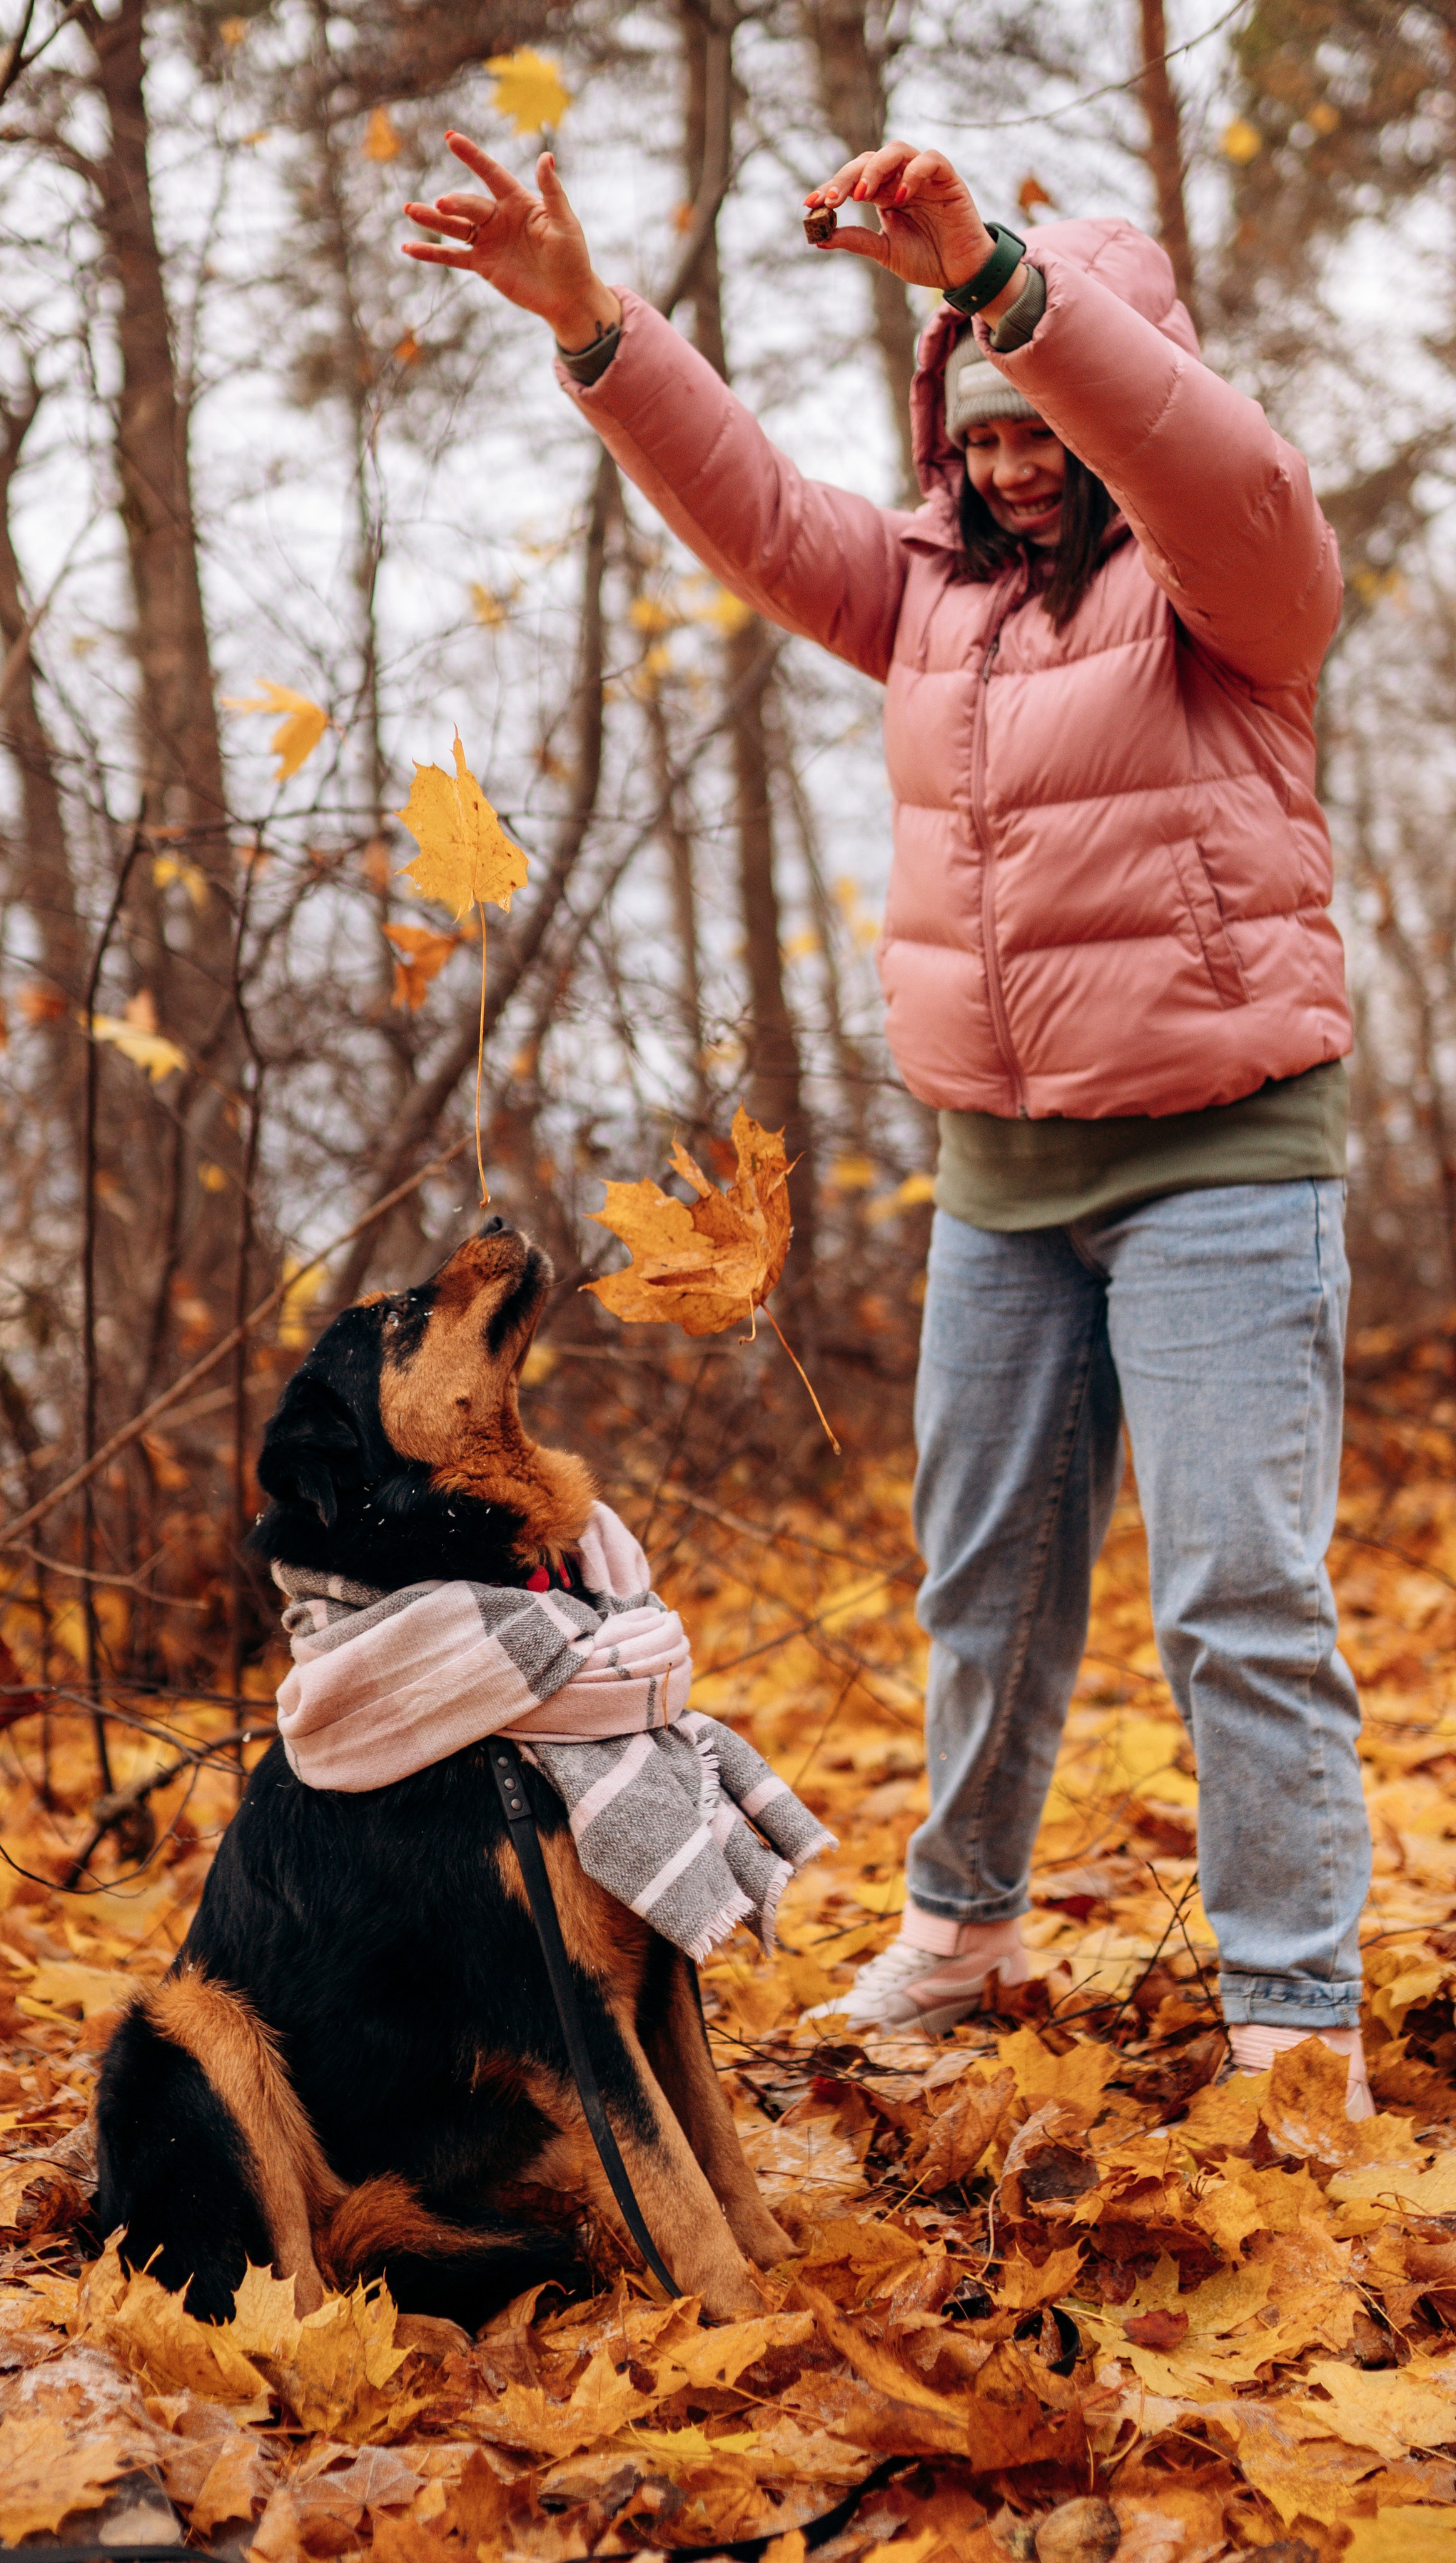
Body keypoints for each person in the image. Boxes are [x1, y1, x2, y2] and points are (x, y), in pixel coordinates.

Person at [403, 134, 1374, 2115]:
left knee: (1237, 1599)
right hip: (1006, 1179)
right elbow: (758, 512)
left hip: (1221, 1161)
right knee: (983, 1581)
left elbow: (1213, 468)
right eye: (979, 429)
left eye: (1044, 426)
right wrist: (591, 322)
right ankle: (967, 1924)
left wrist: (1001, 284)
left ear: (1101, 404)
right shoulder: (934, 599)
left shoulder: (1233, 583)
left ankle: (1294, 2009)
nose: (1012, 463)